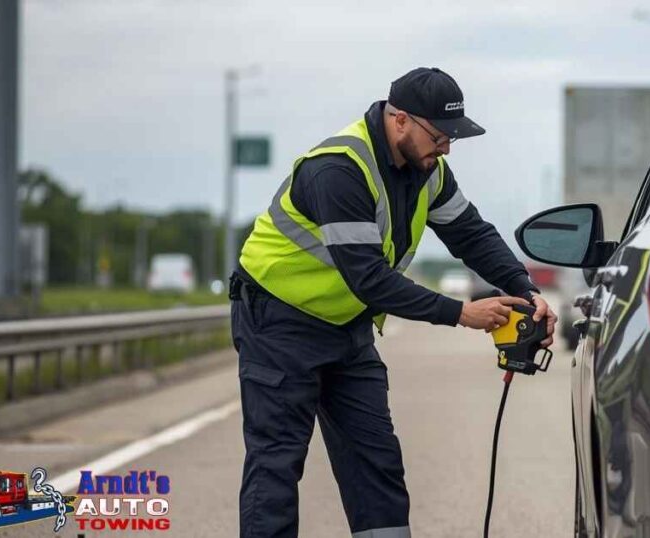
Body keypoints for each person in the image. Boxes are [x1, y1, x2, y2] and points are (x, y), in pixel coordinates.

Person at [229, 66, 556, 537]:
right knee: (277, 461)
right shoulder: (338, 170)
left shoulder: (427, 170)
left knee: (376, 461)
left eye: (452, 139)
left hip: (346, 328)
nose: (446, 148)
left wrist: (526, 289)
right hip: (278, 322)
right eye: (439, 136)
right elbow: (368, 278)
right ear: (399, 119)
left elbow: (472, 235)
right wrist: (461, 313)